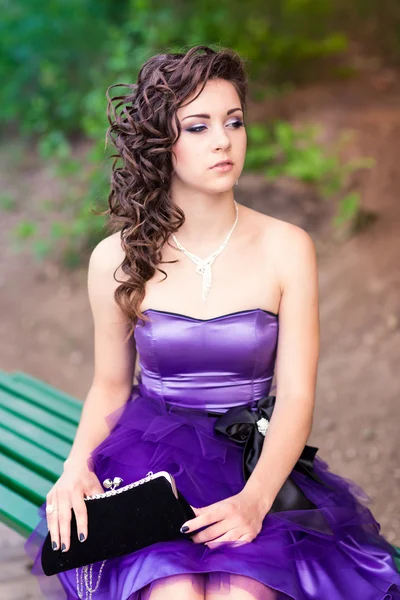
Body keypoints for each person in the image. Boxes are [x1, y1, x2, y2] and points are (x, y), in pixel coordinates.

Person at [25, 44, 400, 600]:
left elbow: (296, 395)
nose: (223, 140)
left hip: (253, 459)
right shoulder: (116, 259)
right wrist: (75, 466)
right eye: (198, 127)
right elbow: (109, 384)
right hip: (148, 460)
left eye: (234, 122)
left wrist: (255, 501)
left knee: (241, 594)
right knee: (170, 592)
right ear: (161, 144)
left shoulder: (287, 248)